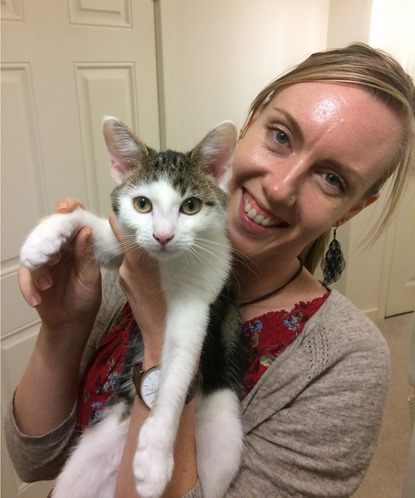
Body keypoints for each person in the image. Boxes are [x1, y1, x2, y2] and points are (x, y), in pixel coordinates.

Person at [5, 43, 415, 497]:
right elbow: (36, 458)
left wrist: (162, 336)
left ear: (353, 209)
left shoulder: (347, 364)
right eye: (281, 136)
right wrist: (65, 325)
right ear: (249, 123)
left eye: (332, 178)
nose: (280, 188)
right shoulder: (139, 257)